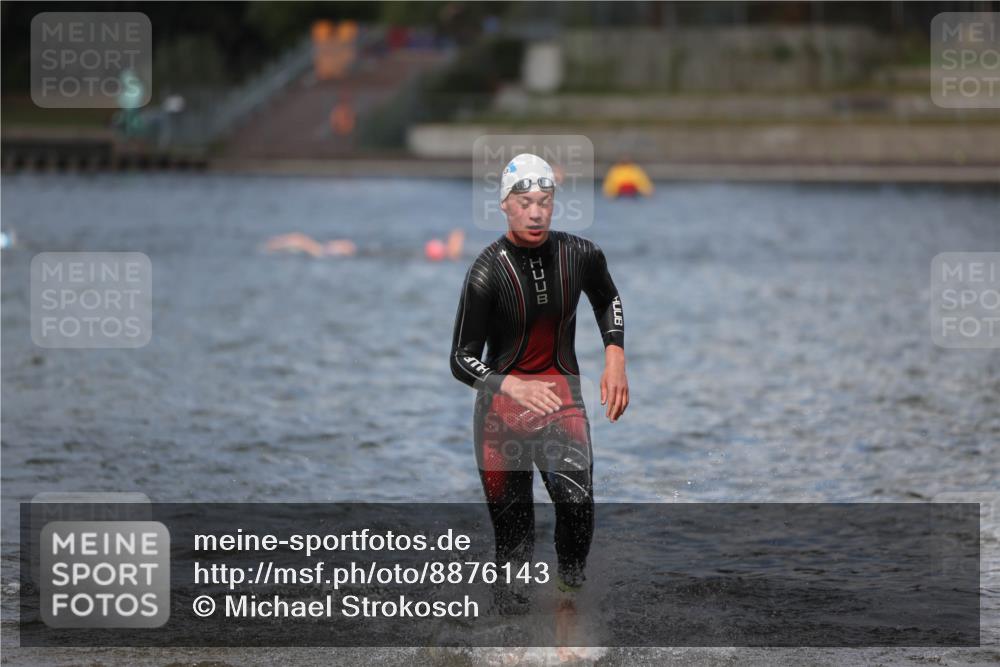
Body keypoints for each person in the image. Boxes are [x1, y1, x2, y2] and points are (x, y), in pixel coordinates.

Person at [450, 153, 629, 611]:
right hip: (500, 418)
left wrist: (614, 354)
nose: (535, 213)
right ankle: (509, 634)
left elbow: (607, 298)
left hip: (560, 403)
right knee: (515, 543)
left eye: (544, 202)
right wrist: (510, 385)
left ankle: (567, 604)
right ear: (504, 205)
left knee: (577, 508)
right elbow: (461, 359)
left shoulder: (580, 254)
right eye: (524, 203)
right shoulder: (487, 271)